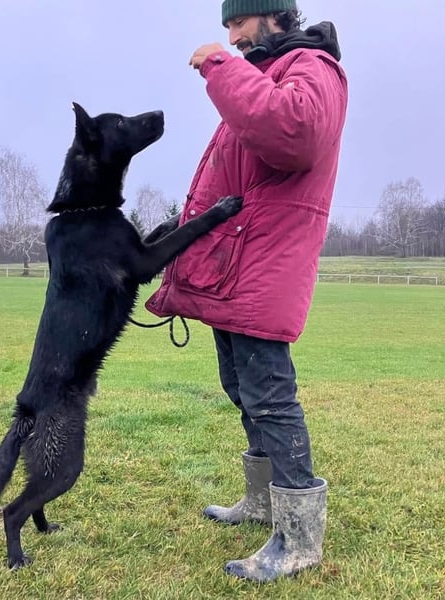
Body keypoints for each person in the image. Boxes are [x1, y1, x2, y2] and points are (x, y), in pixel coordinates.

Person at [145, 0, 348, 583]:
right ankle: (261, 502)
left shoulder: (313, 67)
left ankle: (299, 534)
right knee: (241, 386)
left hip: (263, 265)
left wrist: (220, 68)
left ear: (271, 15)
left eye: (236, 23)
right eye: (225, 30)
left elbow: (293, 134)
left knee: (270, 396)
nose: (230, 37)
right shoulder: (272, 71)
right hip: (237, 265)